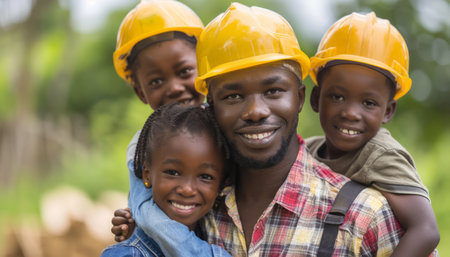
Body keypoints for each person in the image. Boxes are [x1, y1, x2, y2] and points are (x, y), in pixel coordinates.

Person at [113, 3, 438, 256]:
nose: (255, 111)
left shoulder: (364, 219)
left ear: (299, 98)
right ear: (209, 106)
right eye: (233, 96)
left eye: (273, 92)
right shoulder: (193, 207)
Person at [306, 12, 440, 256]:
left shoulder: (380, 156)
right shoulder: (310, 150)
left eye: (368, 103)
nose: (351, 113)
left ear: (388, 111)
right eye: (337, 97)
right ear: (316, 99)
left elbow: (426, 230)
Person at [111, 0, 206, 241]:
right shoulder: (142, 149)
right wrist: (137, 225)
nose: (174, 88)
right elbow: (147, 213)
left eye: (185, 71)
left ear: (204, 66)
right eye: (155, 82)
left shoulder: (226, 127)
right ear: (141, 93)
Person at [101, 104, 232, 257]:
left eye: (205, 176)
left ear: (222, 184)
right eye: (173, 172)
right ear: (147, 175)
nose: (187, 189)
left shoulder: (218, 239)